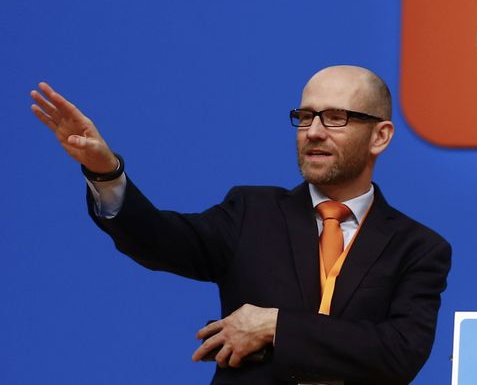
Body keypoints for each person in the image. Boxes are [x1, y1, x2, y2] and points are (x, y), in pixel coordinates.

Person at [31, 65, 452, 385]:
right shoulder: (252, 211)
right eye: (305, 117)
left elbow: (400, 353)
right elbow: (157, 240)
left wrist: (275, 326)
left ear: (380, 136)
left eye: (335, 117)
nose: (314, 132)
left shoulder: (417, 247)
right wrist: (106, 173)